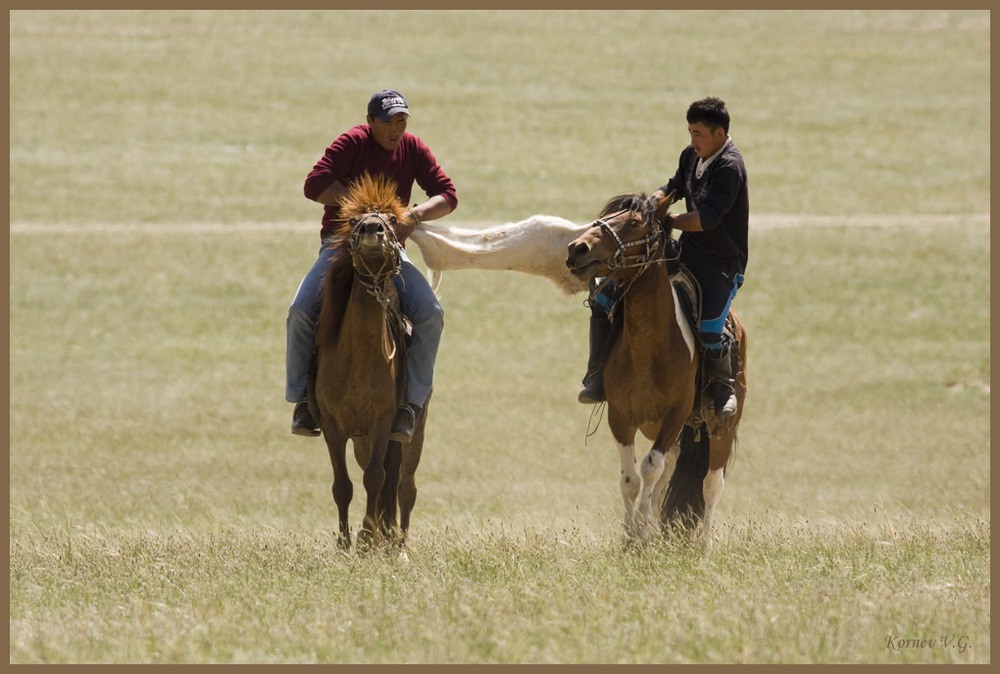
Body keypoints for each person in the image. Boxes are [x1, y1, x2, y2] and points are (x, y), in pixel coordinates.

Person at [286, 89, 458, 440]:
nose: (395, 129)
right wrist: (367, 209)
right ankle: (302, 400)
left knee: (431, 314)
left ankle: (410, 404)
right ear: (370, 123)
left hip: (391, 251)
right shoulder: (352, 142)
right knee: (300, 312)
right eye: (387, 123)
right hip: (340, 248)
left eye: (401, 121)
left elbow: (447, 195)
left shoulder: (413, 148)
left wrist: (412, 215)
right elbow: (314, 185)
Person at [578, 96, 748, 418]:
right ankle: (597, 373)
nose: (692, 140)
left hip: (721, 264)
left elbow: (706, 219)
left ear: (720, 134)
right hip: (686, 251)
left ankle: (722, 386)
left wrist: (664, 222)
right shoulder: (692, 155)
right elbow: (673, 186)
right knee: (607, 294)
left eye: (698, 133)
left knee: (711, 327)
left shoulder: (730, 168)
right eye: (690, 132)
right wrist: (653, 202)